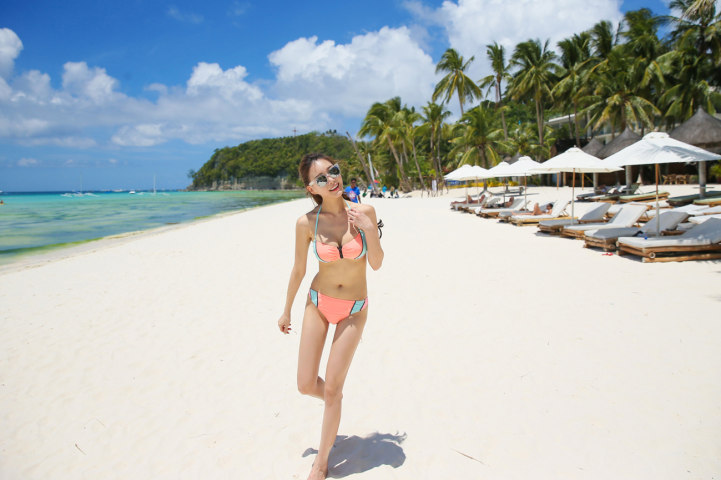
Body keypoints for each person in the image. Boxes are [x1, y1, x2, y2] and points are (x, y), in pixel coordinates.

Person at [278, 153, 384, 480]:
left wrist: (370, 230)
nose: (332, 179)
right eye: (322, 178)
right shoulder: (306, 223)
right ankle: (333, 400)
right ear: (312, 188)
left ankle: (321, 464)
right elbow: (298, 269)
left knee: (333, 389)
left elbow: (376, 263)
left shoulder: (364, 212)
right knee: (305, 384)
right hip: (318, 302)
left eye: (333, 171)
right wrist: (286, 309)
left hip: (354, 309)